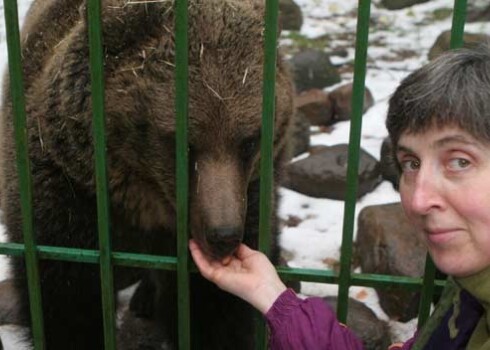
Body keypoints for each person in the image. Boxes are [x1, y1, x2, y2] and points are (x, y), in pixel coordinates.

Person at [189, 45, 490, 350]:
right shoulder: (467, 299)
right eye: (411, 163)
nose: (417, 200)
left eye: (459, 161)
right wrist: (271, 295)